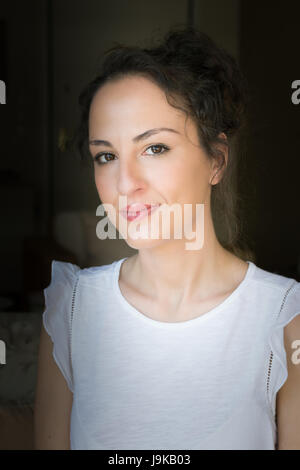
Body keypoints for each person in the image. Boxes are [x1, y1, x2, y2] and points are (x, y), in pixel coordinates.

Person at [34, 27, 300, 450]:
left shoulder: (285, 318)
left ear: (216, 160)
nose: (126, 183)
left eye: (154, 148)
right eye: (106, 156)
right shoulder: (71, 313)